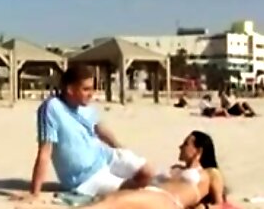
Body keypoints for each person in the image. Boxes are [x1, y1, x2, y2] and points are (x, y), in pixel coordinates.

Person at [17, 65, 154, 202]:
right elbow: (45, 152)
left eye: (92, 88)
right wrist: (34, 192)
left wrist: (119, 147)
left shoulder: (86, 107)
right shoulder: (52, 108)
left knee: (147, 172)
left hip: (105, 157)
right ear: (70, 89)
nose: (91, 94)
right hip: (85, 178)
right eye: (86, 89)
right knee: (133, 190)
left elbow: (99, 129)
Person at [49, 131, 226, 209]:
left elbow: (219, 204)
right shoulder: (176, 169)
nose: (180, 146)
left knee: (110, 204)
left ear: (198, 151)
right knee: (107, 201)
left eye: (186, 143)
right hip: (150, 194)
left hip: (167, 201)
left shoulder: (210, 173)